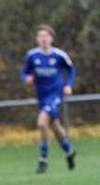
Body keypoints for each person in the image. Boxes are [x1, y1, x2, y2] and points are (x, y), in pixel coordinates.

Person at [21, 24, 76, 173]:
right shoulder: (32, 55)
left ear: (51, 38)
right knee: (55, 127)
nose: (44, 39)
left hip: (56, 95)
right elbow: (24, 72)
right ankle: (69, 151)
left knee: (41, 123)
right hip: (42, 97)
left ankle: (43, 160)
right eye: (41, 36)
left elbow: (71, 69)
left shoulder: (59, 55)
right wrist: (27, 78)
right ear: (37, 39)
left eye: (46, 36)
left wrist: (69, 85)